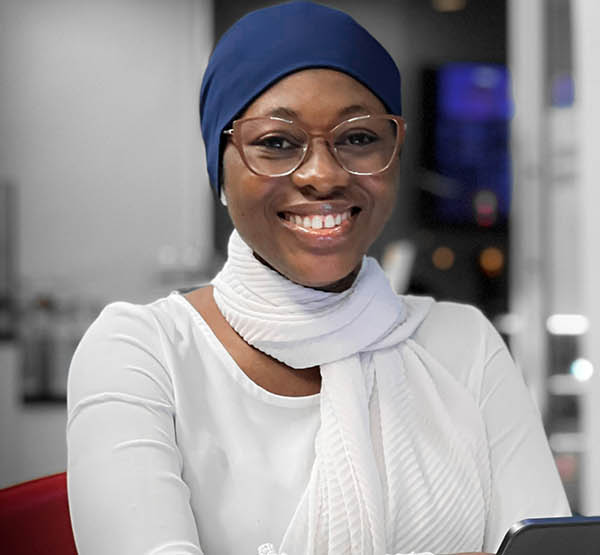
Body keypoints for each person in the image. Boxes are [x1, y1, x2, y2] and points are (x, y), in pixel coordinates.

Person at [64, 3, 568, 554]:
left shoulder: (464, 347)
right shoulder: (144, 354)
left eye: (358, 138)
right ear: (220, 168)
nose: (323, 175)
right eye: (277, 143)